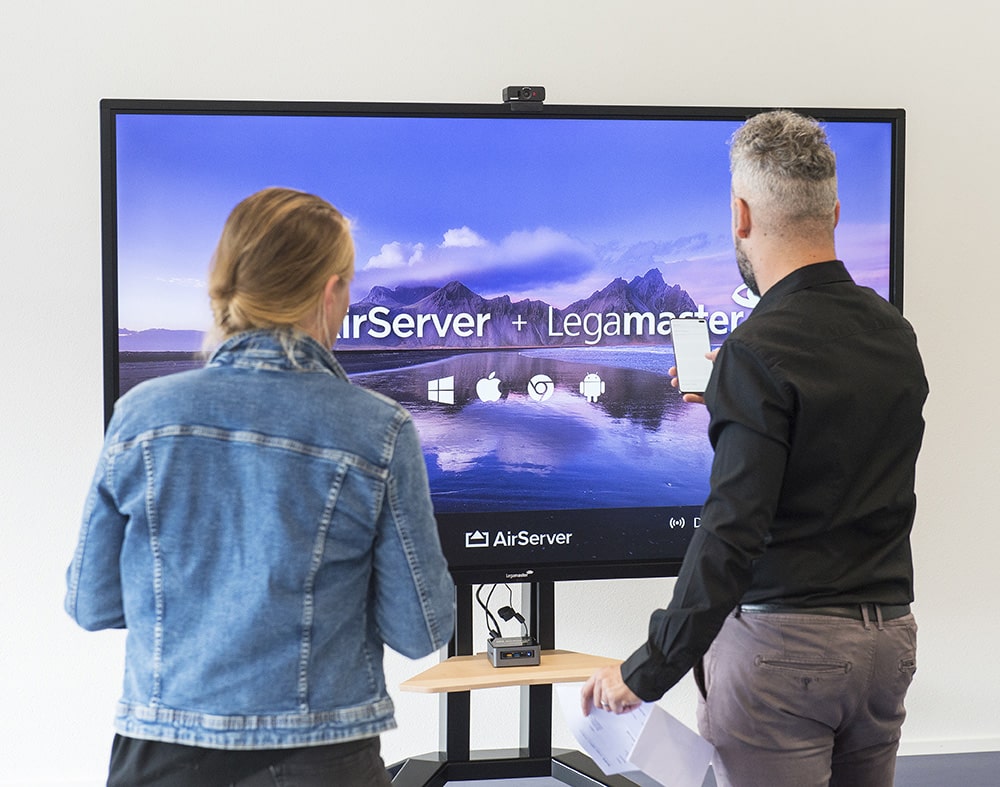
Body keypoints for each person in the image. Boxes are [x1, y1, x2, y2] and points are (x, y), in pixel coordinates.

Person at [65, 187, 455, 787]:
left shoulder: (140, 415)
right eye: (348, 285)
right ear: (330, 292)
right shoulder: (378, 429)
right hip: (323, 757)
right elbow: (421, 630)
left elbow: (93, 605)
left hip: (161, 750)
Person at [582, 110, 927, 787]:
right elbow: (834, 437)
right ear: (834, 208)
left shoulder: (756, 351)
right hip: (887, 639)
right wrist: (729, 394)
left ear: (741, 214)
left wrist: (651, 665)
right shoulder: (894, 332)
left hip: (786, 652)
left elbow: (732, 531)